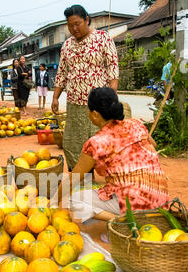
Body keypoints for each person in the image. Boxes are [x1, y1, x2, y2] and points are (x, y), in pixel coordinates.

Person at [53, 87, 169, 225]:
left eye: (88, 110)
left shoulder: (96, 143)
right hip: (160, 200)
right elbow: (153, 145)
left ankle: (121, 222)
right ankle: (135, 217)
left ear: (95, 114)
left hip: (135, 204)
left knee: (73, 199)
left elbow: (73, 179)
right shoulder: (135, 123)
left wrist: (54, 201)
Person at [51, 4, 119, 171]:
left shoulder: (103, 38)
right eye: (70, 25)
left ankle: (109, 178)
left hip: (98, 105)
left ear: (87, 20)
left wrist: (113, 95)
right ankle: (82, 180)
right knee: (72, 144)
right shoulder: (66, 45)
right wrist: (55, 97)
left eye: (77, 24)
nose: (74, 29)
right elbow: (62, 73)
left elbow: (112, 67)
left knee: (101, 143)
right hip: (74, 104)